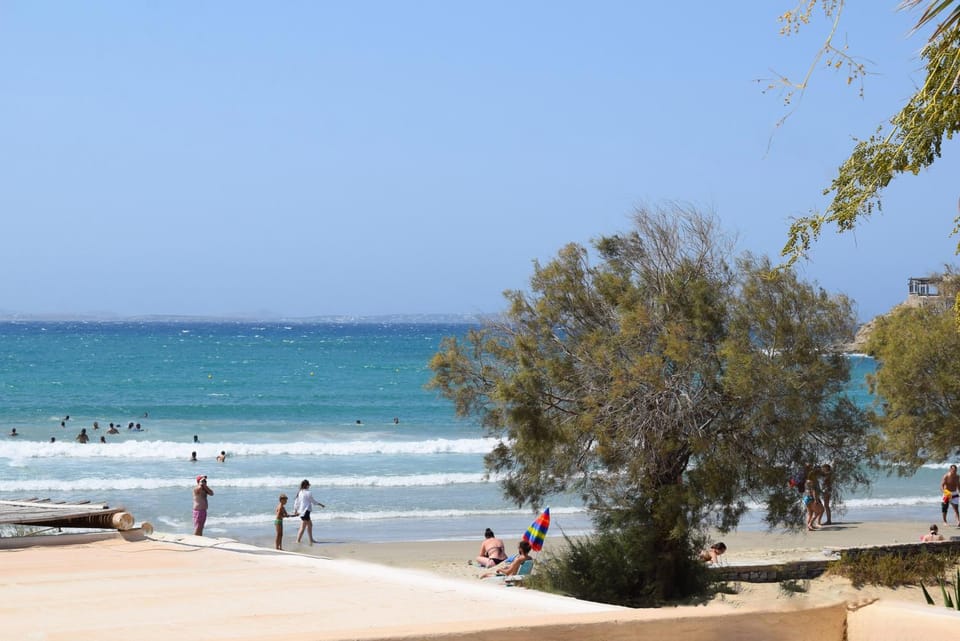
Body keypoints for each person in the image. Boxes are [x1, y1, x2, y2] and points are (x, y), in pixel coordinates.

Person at [294, 479, 325, 545]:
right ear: (307, 485)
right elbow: (313, 501)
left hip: (301, 511)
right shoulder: (308, 492)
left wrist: (295, 510)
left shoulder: (300, 492)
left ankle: (310, 539)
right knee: (304, 526)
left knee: (309, 525)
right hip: (306, 511)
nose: (309, 486)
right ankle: (298, 540)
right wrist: (321, 504)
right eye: (308, 485)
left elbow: (296, 502)